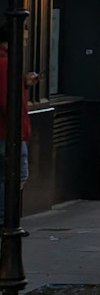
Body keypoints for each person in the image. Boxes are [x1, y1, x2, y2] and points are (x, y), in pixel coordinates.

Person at [0, 23, 32, 217]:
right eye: (24, 39)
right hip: (8, 133)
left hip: (9, 132)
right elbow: (7, 102)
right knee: (15, 176)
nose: (26, 43)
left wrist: (24, 84)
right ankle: (5, 220)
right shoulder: (5, 64)